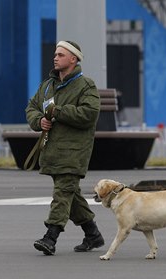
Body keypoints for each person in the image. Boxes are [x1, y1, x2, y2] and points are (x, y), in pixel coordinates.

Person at [26, 40, 104, 255]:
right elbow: (32, 107)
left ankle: (50, 237)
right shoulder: (47, 85)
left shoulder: (85, 85)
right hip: (52, 151)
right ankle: (92, 234)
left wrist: (57, 112)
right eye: (55, 54)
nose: (55, 57)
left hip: (73, 152)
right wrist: (39, 121)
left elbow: (89, 114)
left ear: (73, 59)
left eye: (61, 54)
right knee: (71, 194)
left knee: (62, 194)